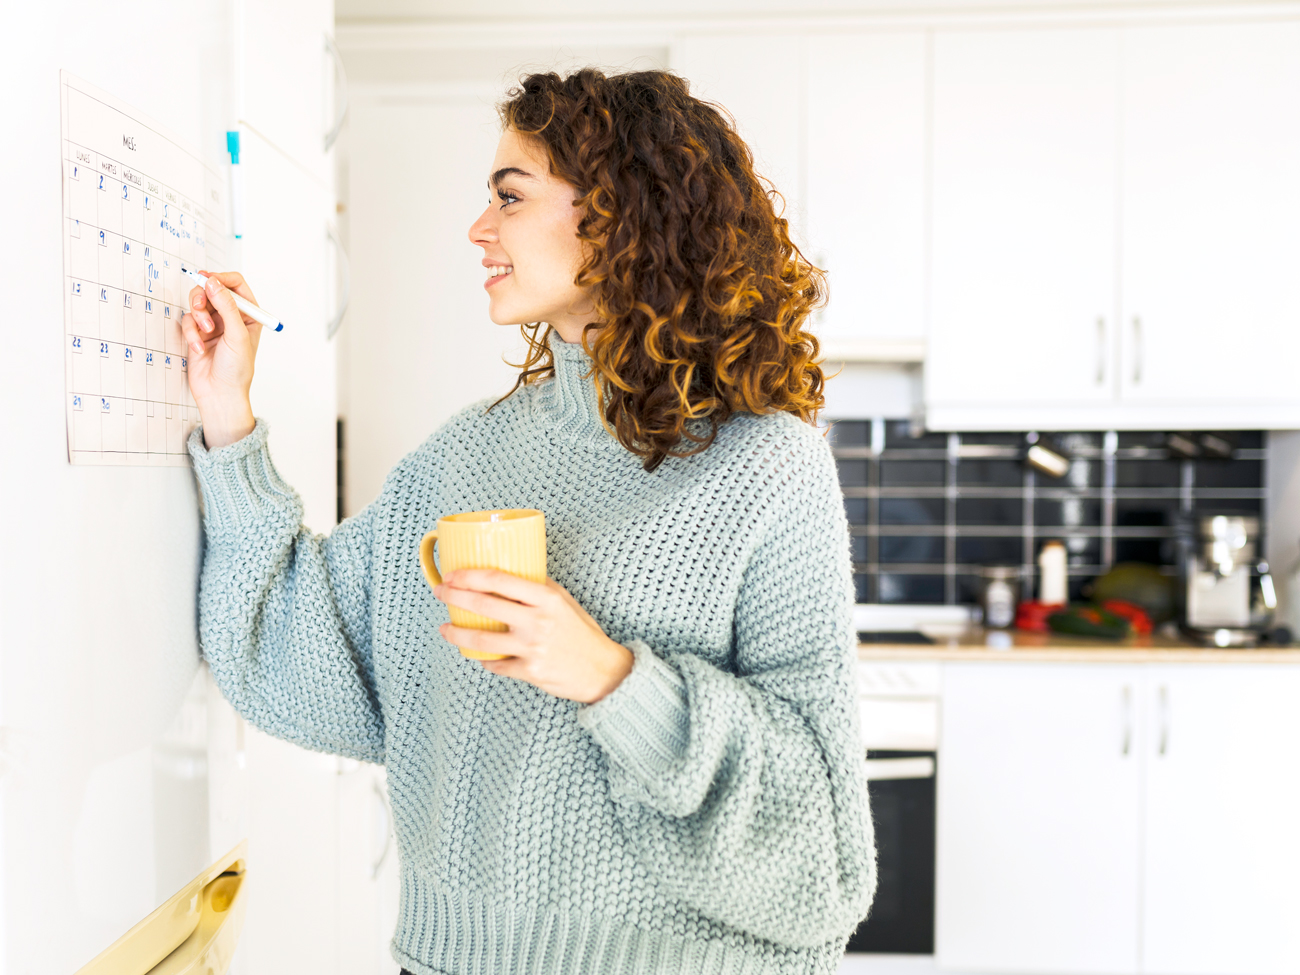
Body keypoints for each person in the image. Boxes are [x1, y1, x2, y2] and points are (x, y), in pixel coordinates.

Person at [180, 68, 875, 975]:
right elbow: (292, 648)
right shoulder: (462, 459)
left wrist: (612, 679)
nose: (479, 229)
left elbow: (820, 860)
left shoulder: (767, 468)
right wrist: (227, 415)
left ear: (623, 214)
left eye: (510, 196)